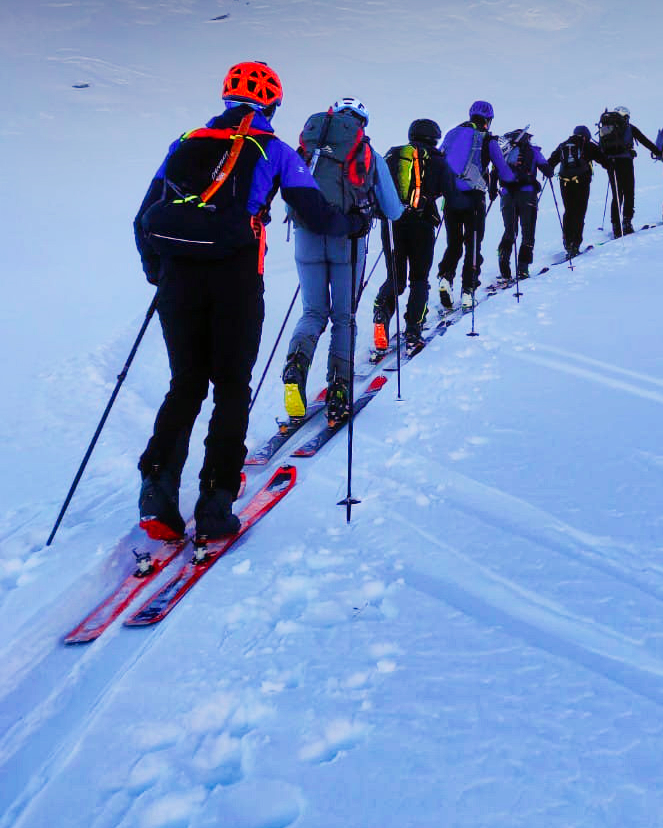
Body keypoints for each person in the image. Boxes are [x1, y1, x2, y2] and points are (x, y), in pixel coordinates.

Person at [134, 62, 358, 541]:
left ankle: (156, 488)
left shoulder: (184, 141)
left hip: (179, 278)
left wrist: (160, 275)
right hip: (236, 276)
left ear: (226, 99)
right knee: (232, 386)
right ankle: (216, 499)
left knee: (186, 384)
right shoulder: (274, 150)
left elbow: (143, 219)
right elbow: (315, 213)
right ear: (272, 104)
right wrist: (353, 224)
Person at [283, 98, 404, 425]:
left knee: (312, 312)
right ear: (361, 123)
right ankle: (338, 389)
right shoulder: (367, 154)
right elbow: (392, 210)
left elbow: (290, 201)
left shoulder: (309, 150)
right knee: (343, 316)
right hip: (349, 241)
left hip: (306, 235)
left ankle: (296, 367)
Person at [372, 118, 451, 356]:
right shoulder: (437, 160)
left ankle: (381, 316)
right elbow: (450, 192)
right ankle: (413, 332)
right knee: (419, 278)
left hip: (392, 222)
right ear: (434, 137)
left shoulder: (393, 155)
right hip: (422, 223)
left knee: (395, 277)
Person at [437, 100, 514, 310]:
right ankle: (468, 291)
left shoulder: (452, 134)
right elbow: (503, 170)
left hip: (450, 198)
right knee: (472, 244)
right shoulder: (488, 139)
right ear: (488, 120)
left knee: (453, 243)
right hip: (474, 199)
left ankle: (445, 278)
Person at [496, 127, 552, 280]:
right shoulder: (533, 151)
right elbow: (547, 170)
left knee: (510, 230)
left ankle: (504, 259)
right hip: (527, 195)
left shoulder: (503, 152)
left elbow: (495, 171)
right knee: (527, 232)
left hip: (507, 194)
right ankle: (523, 268)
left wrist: (492, 190)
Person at [595, 106, 660, 236]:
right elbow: (644, 141)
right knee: (629, 192)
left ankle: (615, 225)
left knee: (617, 194)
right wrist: (659, 152)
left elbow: (601, 148)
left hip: (611, 164)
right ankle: (627, 222)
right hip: (626, 162)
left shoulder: (606, 128)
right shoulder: (630, 128)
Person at [552, 125, 606, 257]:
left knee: (569, 211)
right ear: (586, 136)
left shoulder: (563, 145)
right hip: (581, 182)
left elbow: (550, 162)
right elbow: (604, 161)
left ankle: (568, 241)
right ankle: (575, 244)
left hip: (564, 182)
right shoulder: (588, 145)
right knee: (580, 212)